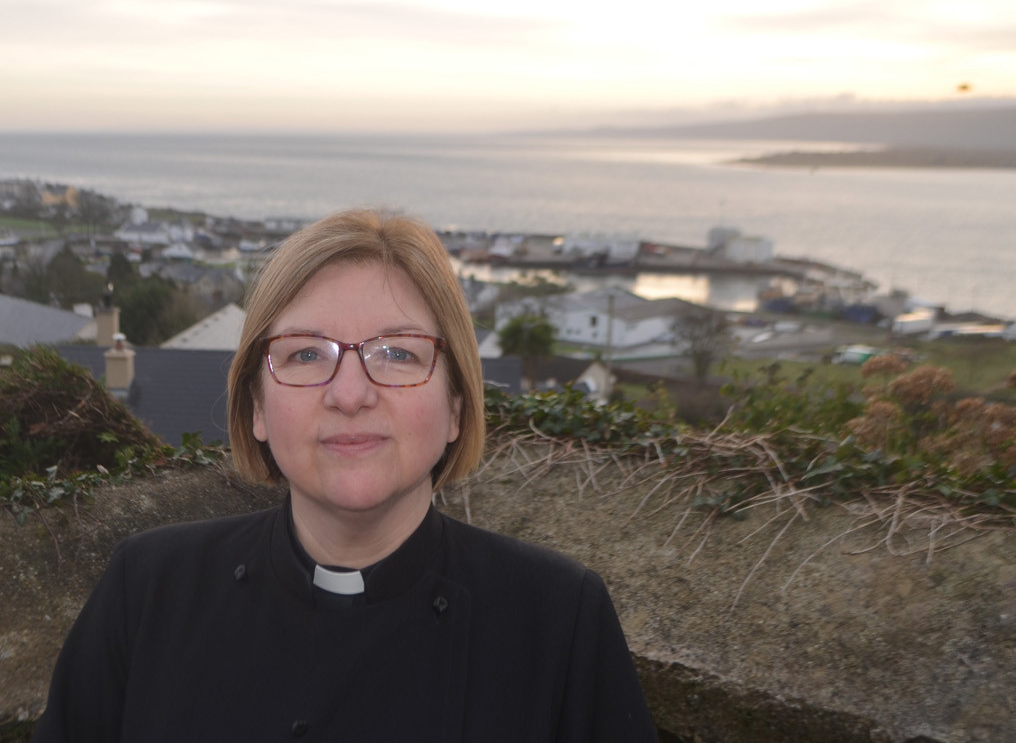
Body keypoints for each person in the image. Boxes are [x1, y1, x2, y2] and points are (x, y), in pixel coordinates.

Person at [32, 209, 656, 742]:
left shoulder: (558, 622)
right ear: (255, 408)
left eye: (398, 353)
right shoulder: (147, 593)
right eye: (306, 354)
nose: (350, 393)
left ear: (456, 408)